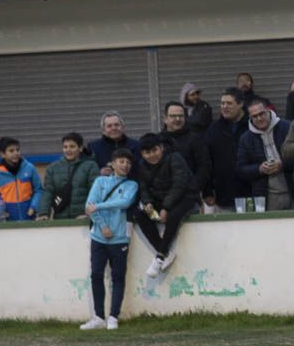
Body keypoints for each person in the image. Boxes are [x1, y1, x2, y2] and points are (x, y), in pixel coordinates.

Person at [80, 149, 138, 330]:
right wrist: (103, 226)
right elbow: (89, 205)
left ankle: (113, 316)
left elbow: (124, 203)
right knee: (96, 275)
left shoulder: (132, 185)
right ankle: (98, 316)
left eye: (128, 162)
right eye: (121, 161)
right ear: (112, 164)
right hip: (99, 237)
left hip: (120, 238)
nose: (125, 165)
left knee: (118, 277)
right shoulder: (100, 181)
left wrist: (99, 206)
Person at [135, 132, 198, 276]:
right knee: (139, 213)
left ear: (161, 148)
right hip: (160, 199)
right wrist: (148, 203)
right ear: (142, 154)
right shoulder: (142, 166)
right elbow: (143, 188)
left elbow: (180, 184)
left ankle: (159, 257)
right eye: (147, 152)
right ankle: (164, 251)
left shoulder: (175, 158)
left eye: (155, 150)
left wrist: (166, 208)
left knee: (173, 216)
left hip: (186, 196)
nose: (152, 155)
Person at [237, 99, 294, 210]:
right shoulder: (246, 138)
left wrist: (282, 164)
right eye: (254, 116)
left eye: (261, 113)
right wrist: (260, 169)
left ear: (269, 111)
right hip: (267, 196)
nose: (259, 118)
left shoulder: (288, 127)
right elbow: (240, 169)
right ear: (250, 118)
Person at [204, 88, 249, 210]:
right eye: (222, 103)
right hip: (223, 196)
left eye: (229, 103)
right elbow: (206, 161)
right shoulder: (213, 129)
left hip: (252, 194)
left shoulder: (252, 125)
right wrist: (207, 191)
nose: (224, 107)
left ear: (240, 104)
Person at [39, 132, 98, 220]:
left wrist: (89, 214)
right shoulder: (52, 168)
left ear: (80, 148)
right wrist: (43, 213)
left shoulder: (91, 166)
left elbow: (95, 192)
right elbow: (48, 192)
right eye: (65, 147)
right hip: (60, 219)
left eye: (72, 146)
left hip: (83, 218)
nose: (68, 150)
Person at [0, 137, 42, 222]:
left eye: (17, 150)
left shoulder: (30, 168)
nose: (16, 153)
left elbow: (38, 190)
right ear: (2, 154)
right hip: (7, 223)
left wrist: (34, 207)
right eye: (11, 151)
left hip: (29, 219)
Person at [160, 100, 211, 198]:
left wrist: (193, 188)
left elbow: (204, 167)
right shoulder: (158, 141)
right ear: (165, 118)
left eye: (181, 116)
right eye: (173, 116)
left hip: (189, 197)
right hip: (163, 196)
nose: (178, 119)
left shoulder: (195, 139)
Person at [88, 112, 141, 179]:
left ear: (122, 127)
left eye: (117, 125)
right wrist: (99, 172)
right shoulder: (93, 147)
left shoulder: (136, 145)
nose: (113, 128)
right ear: (103, 130)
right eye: (109, 126)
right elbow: (88, 172)